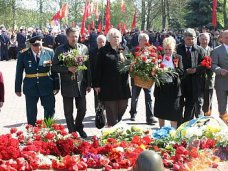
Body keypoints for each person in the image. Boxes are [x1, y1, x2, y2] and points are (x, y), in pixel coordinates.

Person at [52, 27, 91, 138]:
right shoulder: (60, 49)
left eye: (76, 36)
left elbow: (88, 67)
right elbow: (54, 67)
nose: (75, 38)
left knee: (82, 109)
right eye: (72, 36)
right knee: (68, 111)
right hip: (67, 84)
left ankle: (79, 126)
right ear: (67, 36)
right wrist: (67, 69)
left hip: (81, 85)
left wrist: (89, 83)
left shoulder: (83, 48)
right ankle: (72, 131)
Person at [15, 35, 60, 126]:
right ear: (30, 45)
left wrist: (56, 86)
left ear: (42, 43)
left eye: (39, 45)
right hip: (30, 87)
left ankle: (48, 130)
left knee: (50, 109)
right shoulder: (23, 54)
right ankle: (32, 132)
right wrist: (17, 88)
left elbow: (55, 71)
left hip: (47, 85)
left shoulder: (49, 52)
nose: (38, 47)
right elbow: (19, 72)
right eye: (35, 45)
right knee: (31, 111)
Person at [94, 28, 131, 127]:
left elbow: (131, 64)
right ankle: (112, 128)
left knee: (124, 105)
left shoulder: (125, 49)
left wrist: (127, 62)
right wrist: (96, 84)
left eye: (118, 37)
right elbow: (98, 68)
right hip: (108, 86)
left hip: (123, 85)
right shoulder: (103, 51)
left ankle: (115, 124)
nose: (116, 39)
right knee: (111, 109)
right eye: (114, 37)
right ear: (109, 39)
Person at [176, 28, 205, 124]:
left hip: (194, 82)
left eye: (192, 39)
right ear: (184, 38)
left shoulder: (199, 50)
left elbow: (204, 65)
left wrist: (196, 70)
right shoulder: (177, 49)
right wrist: (184, 71)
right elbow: (173, 64)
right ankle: (179, 124)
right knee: (179, 104)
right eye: (188, 39)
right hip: (180, 81)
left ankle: (186, 124)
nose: (191, 41)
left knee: (191, 104)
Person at [154, 36, 184, 128]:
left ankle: (173, 132)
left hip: (173, 89)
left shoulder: (178, 57)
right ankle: (161, 130)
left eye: (169, 49)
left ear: (173, 49)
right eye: (166, 49)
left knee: (173, 112)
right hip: (161, 88)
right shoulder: (159, 57)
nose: (167, 51)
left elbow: (181, 71)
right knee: (161, 111)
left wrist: (170, 71)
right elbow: (153, 70)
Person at [129, 33, 157, 124]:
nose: (144, 42)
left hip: (147, 79)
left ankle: (150, 117)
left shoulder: (151, 51)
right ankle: (133, 113)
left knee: (149, 98)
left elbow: (155, 62)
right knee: (134, 97)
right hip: (136, 78)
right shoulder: (134, 50)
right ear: (139, 41)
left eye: (145, 40)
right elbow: (130, 63)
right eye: (142, 40)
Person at [212, 30, 228, 125]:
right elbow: (213, 65)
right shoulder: (216, 50)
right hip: (221, 83)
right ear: (221, 38)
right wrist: (219, 70)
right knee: (222, 107)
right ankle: (224, 126)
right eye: (226, 37)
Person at [197, 33, 214, 116]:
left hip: (209, 81)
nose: (204, 41)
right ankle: (198, 120)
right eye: (202, 39)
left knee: (208, 103)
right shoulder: (195, 50)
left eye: (206, 39)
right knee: (198, 102)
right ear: (199, 40)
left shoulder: (213, 51)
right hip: (198, 81)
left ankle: (207, 121)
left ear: (209, 40)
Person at [89, 34, 106, 110]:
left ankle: (104, 110)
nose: (101, 43)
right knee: (97, 95)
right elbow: (91, 66)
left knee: (105, 96)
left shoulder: (107, 51)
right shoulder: (93, 52)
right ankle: (97, 111)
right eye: (99, 42)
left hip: (105, 78)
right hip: (95, 78)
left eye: (103, 42)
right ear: (97, 42)